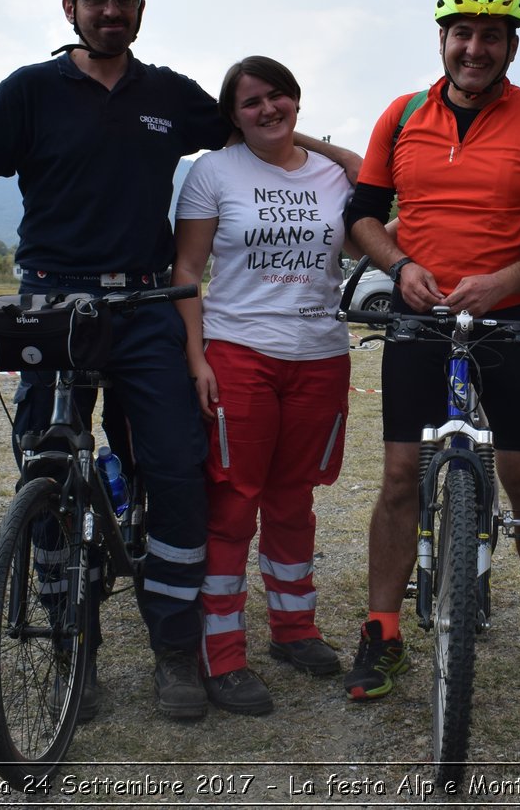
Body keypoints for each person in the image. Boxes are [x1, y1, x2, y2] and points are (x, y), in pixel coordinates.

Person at [0, 0, 357, 723]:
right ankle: (64, 646)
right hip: (52, 301)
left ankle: (175, 651)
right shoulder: (27, 90)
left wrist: (316, 149)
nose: (111, 9)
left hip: (148, 304)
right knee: (46, 474)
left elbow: (252, 129)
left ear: (141, 7)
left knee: (180, 474)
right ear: (70, 8)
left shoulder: (171, 95)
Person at [341, 0, 520, 703]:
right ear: (443, 39)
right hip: (419, 318)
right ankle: (381, 630)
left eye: (490, 35)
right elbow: (362, 213)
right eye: (463, 33)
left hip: (510, 319)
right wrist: (400, 263)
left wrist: (504, 282)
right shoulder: (401, 115)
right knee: (397, 480)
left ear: (511, 44)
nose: (474, 48)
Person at [170, 56, 354, 716]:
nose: (268, 109)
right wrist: (196, 356)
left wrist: (299, 142)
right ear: (232, 115)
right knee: (232, 503)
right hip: (240, 352)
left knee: (293, 498)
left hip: (322, 355)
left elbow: (371, 175)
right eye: (251, 103)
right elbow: (187, 266)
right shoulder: (213, 171)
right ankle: (221, 654)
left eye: (278, 96)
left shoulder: (333, 174)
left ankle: (294, 629)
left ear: (296, 100)